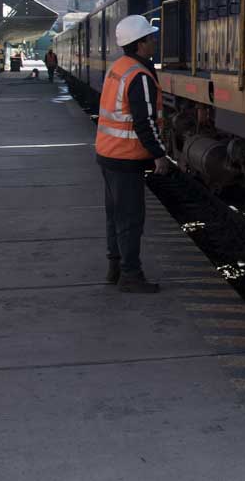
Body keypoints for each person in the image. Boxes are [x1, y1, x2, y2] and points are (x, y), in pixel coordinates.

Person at [94, 15, 170, 293]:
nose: (154, 42)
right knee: (130, 218)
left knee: (115, 216)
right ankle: (130, 275)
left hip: (108, 154)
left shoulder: (119, 67)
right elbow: (144, 122)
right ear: (140, 44)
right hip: (126, 157)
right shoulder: (140, 76)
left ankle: (115, 268)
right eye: (151, 38)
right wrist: (159, 155)